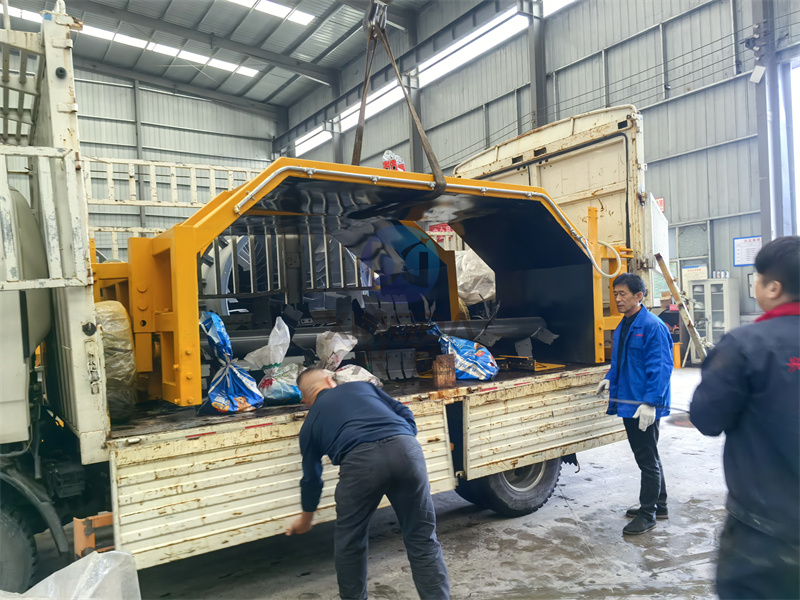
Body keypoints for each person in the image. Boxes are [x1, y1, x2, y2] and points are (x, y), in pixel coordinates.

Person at [690, 235, 800, 600]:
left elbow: (707, 418)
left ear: (773, 287)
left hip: (763, 534)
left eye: (757, 278)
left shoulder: (744, 346)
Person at [285, 368, 450, 600]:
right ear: (329, 380)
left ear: (305, 399)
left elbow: (311, 478)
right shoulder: (361, 387)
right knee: (422, 538)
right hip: (406, 451)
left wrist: (306, 518)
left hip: (360, 465)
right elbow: (404, 411)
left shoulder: (310, 423)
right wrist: (403, 439)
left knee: (350, 544)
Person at [596, 273, 674, 535]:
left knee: (646, 459)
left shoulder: (652, 326)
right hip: (630, 400)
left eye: (623, 294)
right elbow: (620, 361)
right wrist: (609, 378)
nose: (617, 299)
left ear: (638, 296)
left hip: (643, 404)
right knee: (649, 454)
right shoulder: (625, 324)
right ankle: (660, 505)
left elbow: (661, 368)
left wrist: (651, 403)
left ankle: (648, 514)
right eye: (615, 294)